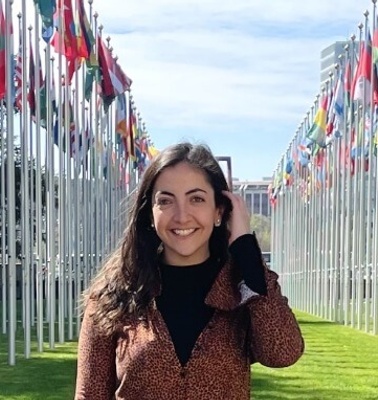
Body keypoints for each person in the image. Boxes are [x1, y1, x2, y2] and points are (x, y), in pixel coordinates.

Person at [74, 142, 304, 400]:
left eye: (196, 199)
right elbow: (89, 394)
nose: (182, 216)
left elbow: (282, 353)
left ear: (219, 211)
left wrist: (244, 247)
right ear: (150, 214)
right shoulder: (113, 295)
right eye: (165, 201)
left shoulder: (242, 289)